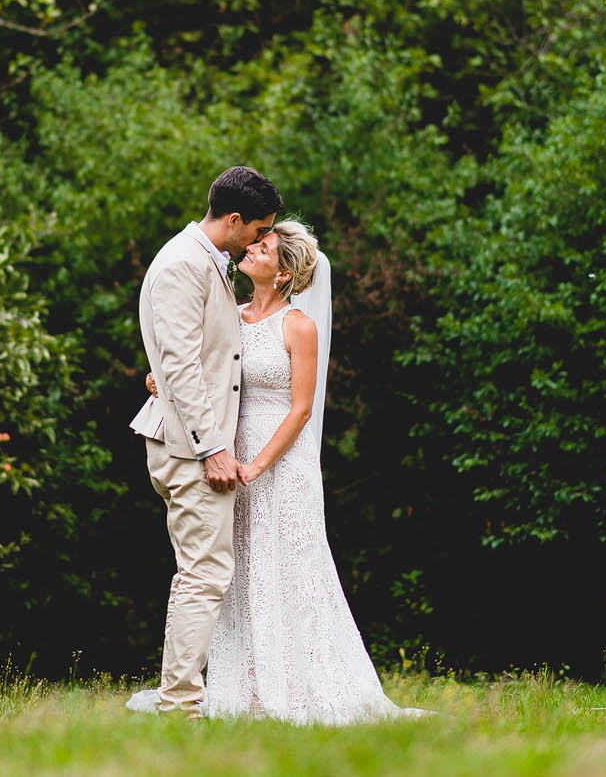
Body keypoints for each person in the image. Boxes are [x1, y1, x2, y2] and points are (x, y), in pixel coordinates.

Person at [132, 219, 424, 724]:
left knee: (286, 568)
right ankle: (236, 683)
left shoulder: (299, 327)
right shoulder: (229, 313)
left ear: (284, 272)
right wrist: (164, 381)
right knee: (237, 569)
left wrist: (258, 465)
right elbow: (195, 366)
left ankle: (298, 683)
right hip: (224, 452)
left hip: (279, 463)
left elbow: (301, 409)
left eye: (262, 247)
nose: (250, 249)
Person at [128, 166, 280, 717]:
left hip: (193, 437)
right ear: (234, 220)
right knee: (204, 573)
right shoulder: (181, 264)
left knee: (204, 569)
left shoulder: (208, 261)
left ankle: (183, 702)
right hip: (189, 448)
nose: (263, 240)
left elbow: (196, 357)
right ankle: (180, 709)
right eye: (260, 229)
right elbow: (179, 364)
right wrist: (211, 447)